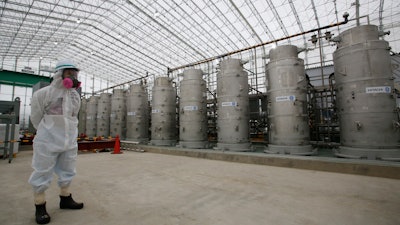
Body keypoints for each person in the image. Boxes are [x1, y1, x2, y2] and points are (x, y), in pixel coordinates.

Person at [29, 59, 83, 224]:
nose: (73, 77)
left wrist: (70, 135)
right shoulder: (43, 94)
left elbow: (73, 116)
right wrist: (47, 132)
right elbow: (36, 117)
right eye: (69, 74)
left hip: (69, 140)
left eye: (75, 74)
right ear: (59, 75)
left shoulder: (75, 96)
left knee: (68, 168)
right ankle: (40, 205)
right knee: (42, 171)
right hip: (48, 140)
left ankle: (65, 198)